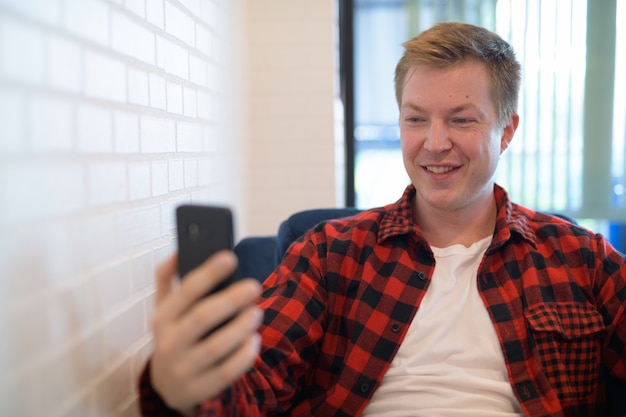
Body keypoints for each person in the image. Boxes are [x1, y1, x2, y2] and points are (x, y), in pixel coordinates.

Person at [138, 22, 626, 416]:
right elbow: (255, 384)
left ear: (506, 130)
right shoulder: (328, 252)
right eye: (416, 119)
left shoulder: (581, 259)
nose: (434, 143)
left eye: (461, 119)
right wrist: (183, 388)